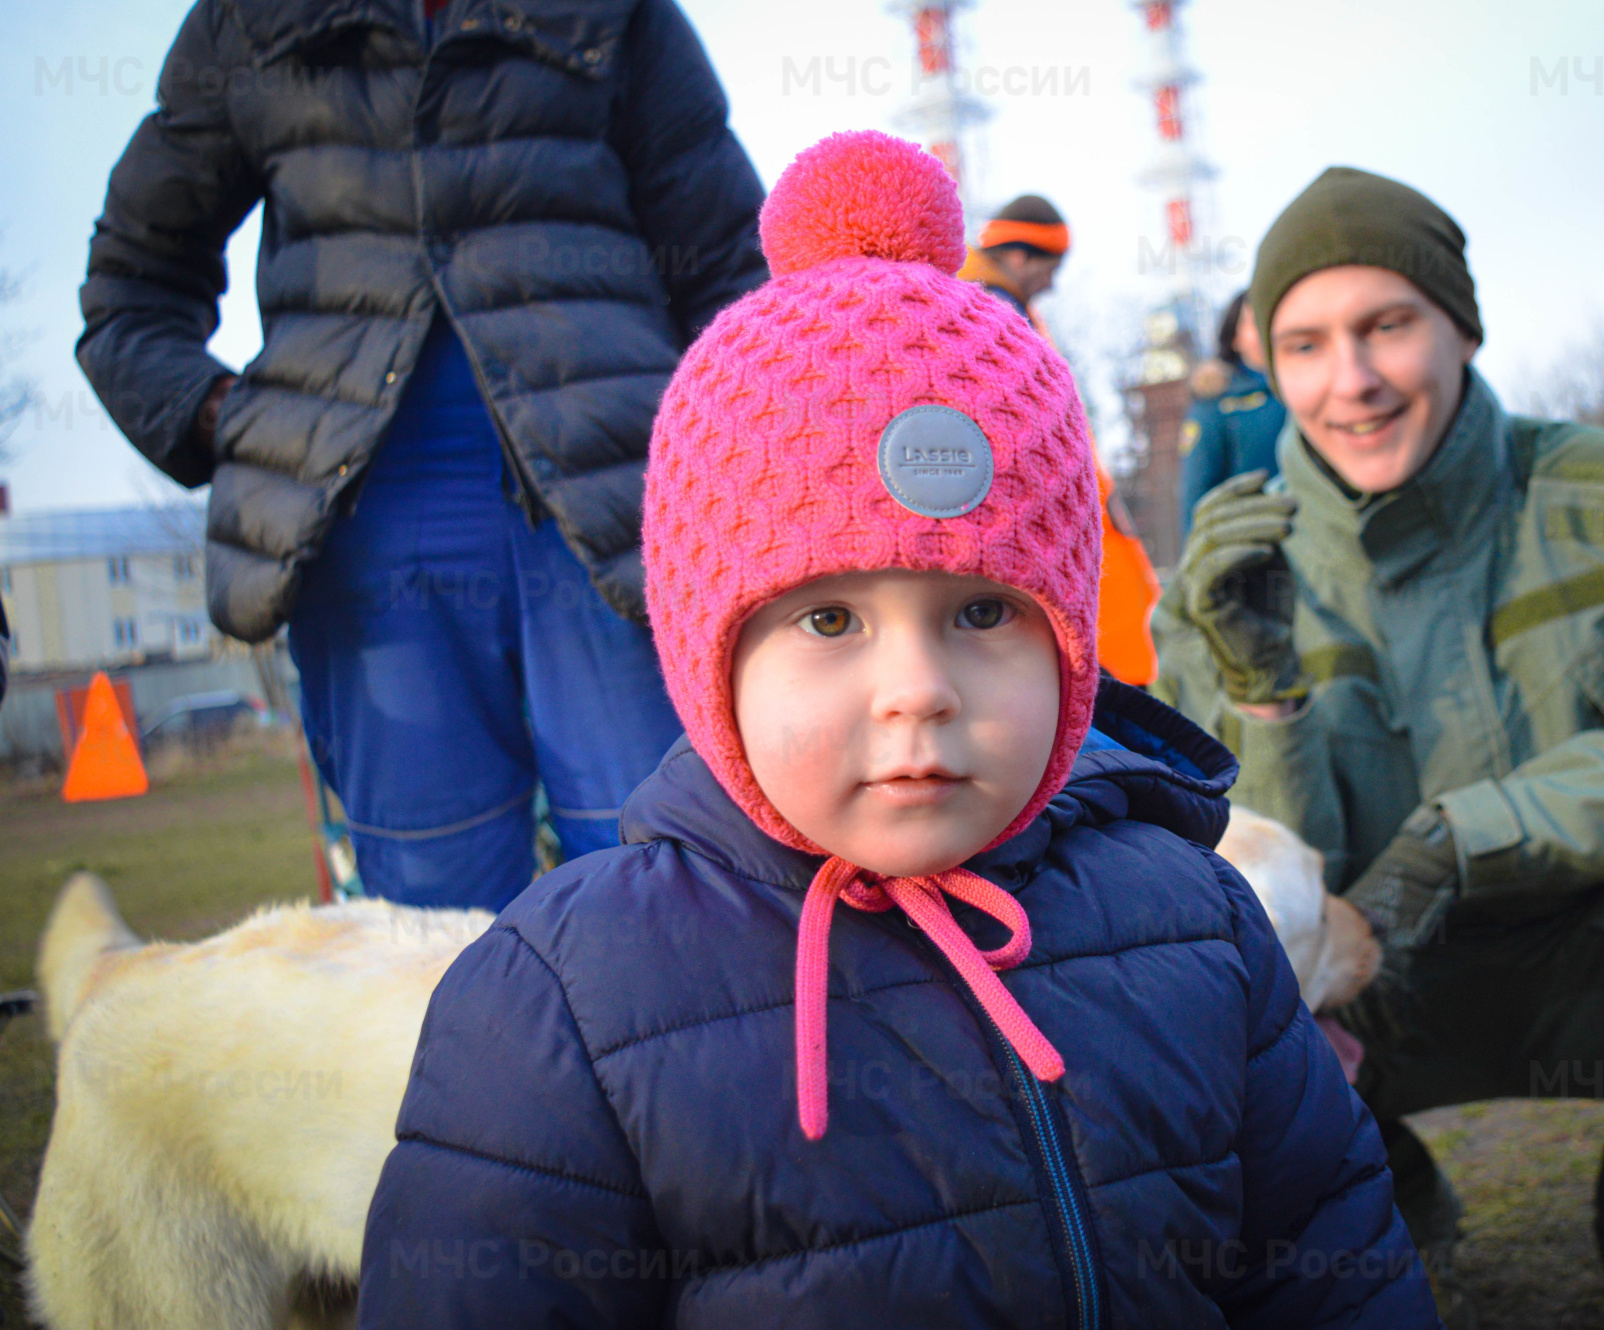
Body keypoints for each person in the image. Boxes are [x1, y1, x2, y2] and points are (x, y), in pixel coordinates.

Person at [355, 133, 1440, 1329]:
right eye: (828, 618)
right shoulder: (558, 1003)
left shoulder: (1193, 921)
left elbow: (1330, 1267)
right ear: (707, 657)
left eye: (981, 612)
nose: (917, 690)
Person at [1151, 165, 1604, 1329]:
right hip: (1367, 998)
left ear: (1459, 327)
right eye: (1305, 345)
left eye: (1386, 326)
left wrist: (1460, 838)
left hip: (1595, 958)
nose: (1352, 380)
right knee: (1192, 979)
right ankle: (1378, 1215)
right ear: (1269, 363)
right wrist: (1261, 697)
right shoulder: (1228, 567)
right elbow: (1245, 897)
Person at [76, 0, 766, 910]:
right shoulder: (251, 22)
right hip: (370, 534)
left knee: (677, 882)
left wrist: (751, 467)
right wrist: (230, 422)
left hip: (625, 518)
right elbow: (130, 292)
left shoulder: (615, 11)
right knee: (428, 923)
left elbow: (732, 269)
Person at [960, 194, 1164, 687]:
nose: (1052, 284)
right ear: (1018, 257)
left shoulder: (988, 304)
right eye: (1050, 269)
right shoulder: (994, 312)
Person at [1181, 290, 1288, 534]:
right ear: (1235, 338)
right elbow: (1196, 491)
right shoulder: (1215, 404)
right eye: (1254, 321)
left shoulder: (1313, 386)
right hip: (1258, 540)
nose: (1266, 328)